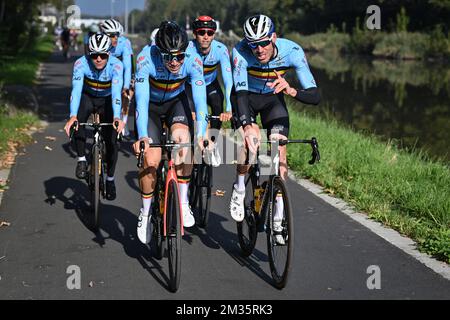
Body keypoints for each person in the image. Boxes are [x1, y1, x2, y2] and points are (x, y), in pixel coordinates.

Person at [229, 14, 321, 243]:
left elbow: (315, 96)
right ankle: (239, 188)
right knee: (251, 143)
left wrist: (292, 91)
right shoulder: (240, 51)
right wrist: (247, 125)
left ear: (274, 38)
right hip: (246, 97)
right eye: (253, 44)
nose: (258, 49)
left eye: (263, 43)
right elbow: (239, 93)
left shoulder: (293, 51)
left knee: (279, 155)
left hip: (272, 100)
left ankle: (278, 221)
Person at [133, 21, 208, 244]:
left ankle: (184, 202)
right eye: (169, 57)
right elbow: (141, 102)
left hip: (176, 103)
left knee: (185, 144)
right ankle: (145, 213)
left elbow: (201, 102)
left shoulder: (193, 60)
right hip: (152, 108)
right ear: (159, 52)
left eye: (179, 57)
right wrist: (142, 137)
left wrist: (202, 134)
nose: (175, 62)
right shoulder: (146, 59)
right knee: (151, 160)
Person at [64, 34, 125, 200]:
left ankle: (110, 179)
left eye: (103, 55)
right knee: (78, 121)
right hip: (88, 97)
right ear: (88, 54)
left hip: (107, 99)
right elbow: (76, 91)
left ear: (109, 54)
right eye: (94, 55)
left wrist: (117, 117)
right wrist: (72, 116)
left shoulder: (117, 66)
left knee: (112, 140)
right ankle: (82, 159)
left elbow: (116, 93)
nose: (98, 59)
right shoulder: (80, 64)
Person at [185, 15, 233, 166]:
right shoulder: (187, 49)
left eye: (210, 33)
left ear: (214, 35)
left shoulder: (221, 49)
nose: (205, 36)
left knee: (218, 109)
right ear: (194, 34)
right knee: (191, 116)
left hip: (211, 85)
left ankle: (213, 143)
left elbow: (227, 79)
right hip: (190, 86)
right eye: (201, 32)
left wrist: (229, 108)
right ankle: (190, 146)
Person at [100, 19, 134, 137]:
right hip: (107, 68)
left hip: (123, 67)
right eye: (112, 36)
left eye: (117, 35)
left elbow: (128, 66)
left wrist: (126, 86)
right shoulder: (99, 42)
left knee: (126, 94)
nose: (115, 38)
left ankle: (124, 121)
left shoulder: (124, 43)